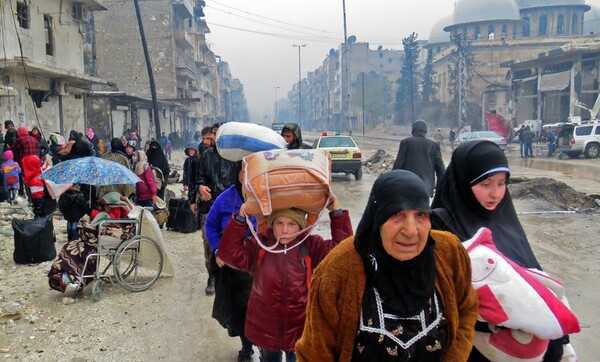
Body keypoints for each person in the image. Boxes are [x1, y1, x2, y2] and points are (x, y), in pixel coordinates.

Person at [296, 170, 478, 361]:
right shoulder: (338, 269)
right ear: (377, 217)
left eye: (421, 214)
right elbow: (315, 352)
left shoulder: (449, 252)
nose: (410, 230)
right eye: (397, 214)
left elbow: (466, 308)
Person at [431, 140, 566, 361]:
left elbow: (532, 278)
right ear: (463, 182)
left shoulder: (506, 222)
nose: (496, 194)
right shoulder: (440, 226)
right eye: (485, 184)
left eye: (502, 184)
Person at [218, 195, 352, 362]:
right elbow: (229, 255)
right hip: (265, 326)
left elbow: (342, 252)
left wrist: (337, 213)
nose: (285, 230)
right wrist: (240, 220)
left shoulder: (310, 246)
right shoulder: (260, 245)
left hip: (300, 327)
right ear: (272, 224)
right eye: (279, 223)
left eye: (291, 224)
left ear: (301, 226)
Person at [206, 163, 257, 362]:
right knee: (240, 309)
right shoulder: (225, 198)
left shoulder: (267, 197)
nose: (248, 174)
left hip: (258, 265)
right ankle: (247, 348)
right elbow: (211, 225)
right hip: (233, 267)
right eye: (244, 169)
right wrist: (218, 250)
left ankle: (268, 350)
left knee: (260, 308)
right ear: (237, 173)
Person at [191, 135, 237, 296]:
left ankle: (230, 278)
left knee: (233, 243)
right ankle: (211, 277)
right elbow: (198, 178)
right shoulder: (206, 156)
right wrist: (200, 188)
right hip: (209, 206)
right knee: (209, 243)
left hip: (232, 207)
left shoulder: (237, 156)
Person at [392, 119, 445, 197]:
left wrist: (393, 183)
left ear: (413, 129)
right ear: (425, 131)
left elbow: (398, 165)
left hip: (407, 186)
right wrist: (440, 187)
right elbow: (441, 169)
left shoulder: (406, 142)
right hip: (426, 188)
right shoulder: (434, 145)